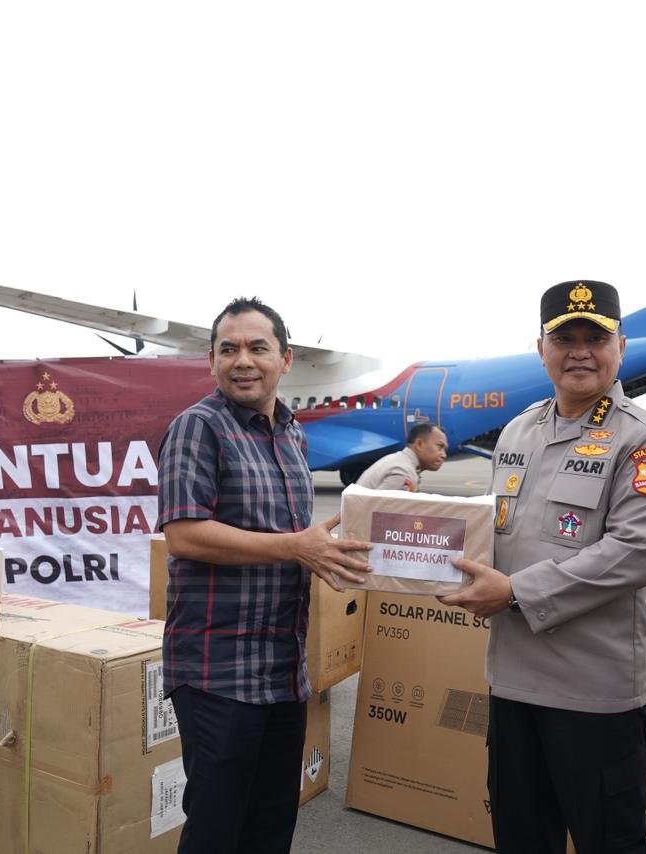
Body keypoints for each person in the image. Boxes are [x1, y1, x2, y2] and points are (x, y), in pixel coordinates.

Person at [440, 280, 646, 854]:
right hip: (513, 681)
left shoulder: (644, 439)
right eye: (564, 339)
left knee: (609, 841)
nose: (579, 352)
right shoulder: (518, 431)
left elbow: (635, 551)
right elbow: (494, 532)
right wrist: (425, 558)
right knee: (521, 836)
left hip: (592, 692)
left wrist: (514, 592)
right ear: (541, 348)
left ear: (620, 347)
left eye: (594, 339)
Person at [156, 296, 371, 854]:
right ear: (211, 361)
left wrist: (326, 554)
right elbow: (185, 535)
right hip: (218, 670)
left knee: (273, 825)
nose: (243, 361)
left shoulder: (292, 434)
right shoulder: (197, 428)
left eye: (258, 347)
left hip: (283, 669)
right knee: (216, 830)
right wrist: (297, 547)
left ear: (286, 359)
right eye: (228, 349)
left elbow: (292, 541)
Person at [356, 421, 449, 491]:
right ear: (419, 444)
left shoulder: (399, 460)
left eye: (445, 449)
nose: (444, 455)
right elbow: (382, 509)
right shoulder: (404, 472)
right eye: (439, 446)